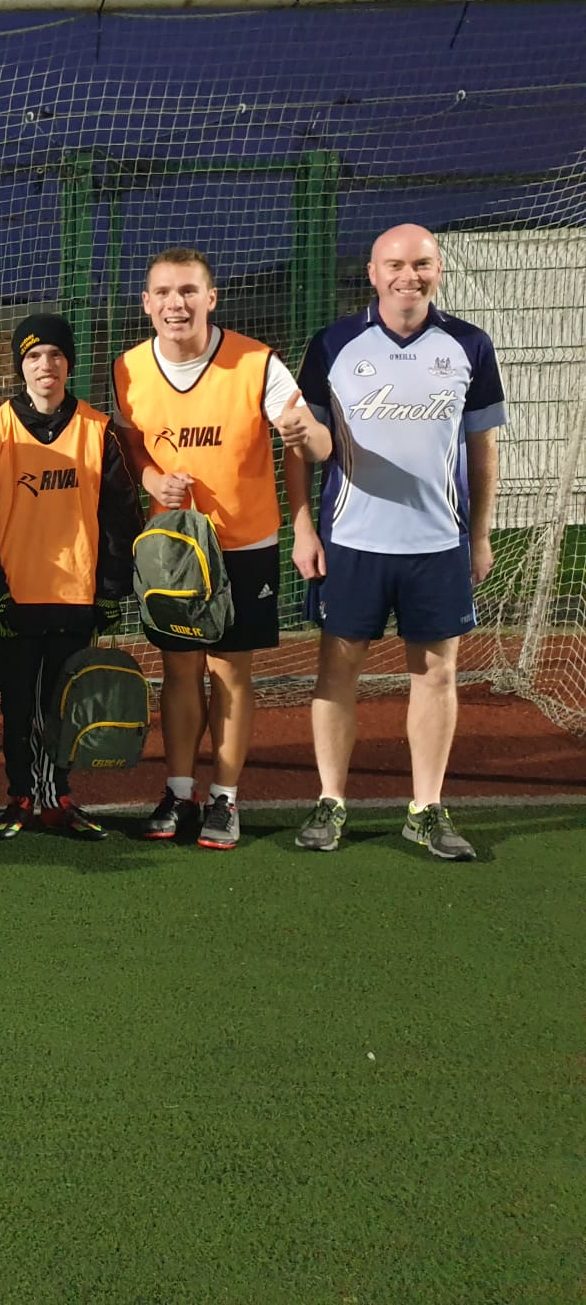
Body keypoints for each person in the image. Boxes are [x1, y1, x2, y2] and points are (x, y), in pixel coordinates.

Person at [289, 224, 505, 862]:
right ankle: (331, 801)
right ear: (372, 273)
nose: (408, 275)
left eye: (421, 264)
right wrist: (302, 526)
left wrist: (482, 535)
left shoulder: (470, 344)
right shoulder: (333, 343)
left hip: (438, 544)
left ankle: (426, 807)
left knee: (437, 674)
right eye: (394, 264)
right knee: (338, 670)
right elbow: (298, 448)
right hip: (351, 541)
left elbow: (482, 448)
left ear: (438, 269)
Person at [113, 248, 315, 850]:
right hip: (172, 547)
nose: (177, 304)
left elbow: (297, 436)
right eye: (164, 293)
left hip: (243, 542)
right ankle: (179, 791)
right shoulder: (127, 369)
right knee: (178, 671)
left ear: (211, 298)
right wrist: (152, 480)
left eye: (188, 292)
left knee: (229, 673)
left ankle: (225, 798)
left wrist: (304, 523)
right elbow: (129, 446)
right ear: (147, 304)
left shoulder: (257, 362)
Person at [0, 312, 142, 839]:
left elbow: (122, 517)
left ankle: (58, 799)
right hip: (13, 600)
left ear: (69, 363)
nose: (45, 364)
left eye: (54, 354)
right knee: (17, 707)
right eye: (33, 356)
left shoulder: (98, 432)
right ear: (20, 367)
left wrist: (111, 589)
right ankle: (20, 797)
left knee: (65, 705)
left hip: (76, 599)